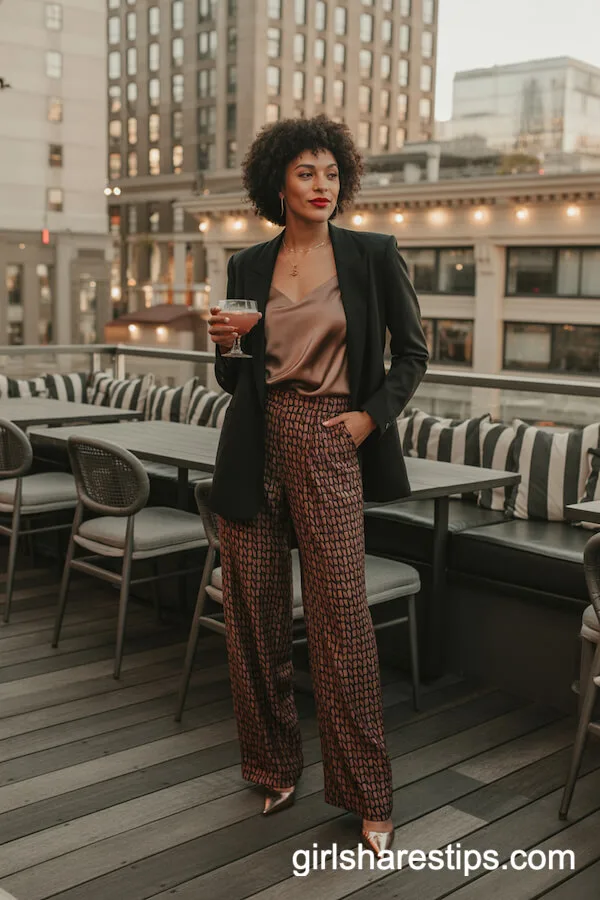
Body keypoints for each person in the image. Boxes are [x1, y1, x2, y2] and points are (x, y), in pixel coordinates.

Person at [207, 114, 429, 856]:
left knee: (342, 625)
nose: (322, 185)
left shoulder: (372, 255)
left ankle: (368, 795)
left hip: (333, 439)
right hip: (253, 442)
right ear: (279, 182)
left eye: (332, 173)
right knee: (254, 618)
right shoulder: (248, 265)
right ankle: (272, 765)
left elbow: (413, 355)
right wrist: (225, 346)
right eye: (307, 173)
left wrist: (369, 419)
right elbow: (233, 375)